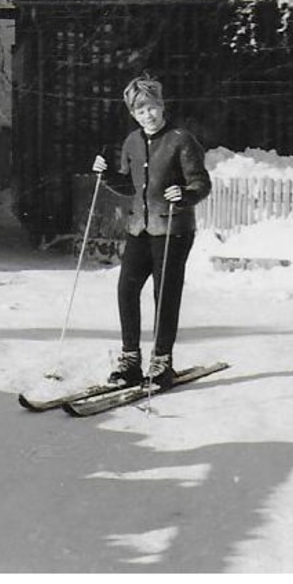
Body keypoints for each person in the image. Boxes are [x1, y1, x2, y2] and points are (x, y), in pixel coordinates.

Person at [91, 73, 210, 391]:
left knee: (165, 294)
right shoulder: (131, 142)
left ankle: (162, 362)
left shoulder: (181, 139)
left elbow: (201, 182)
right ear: (134, 113)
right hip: (140, 228)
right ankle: (130, 361)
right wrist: (106, 177)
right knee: (126, 290)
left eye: (153, 107)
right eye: (141, 110)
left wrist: (184, 194)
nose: (148, 115)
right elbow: (129, 185)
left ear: (162, 106)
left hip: (174, 228)